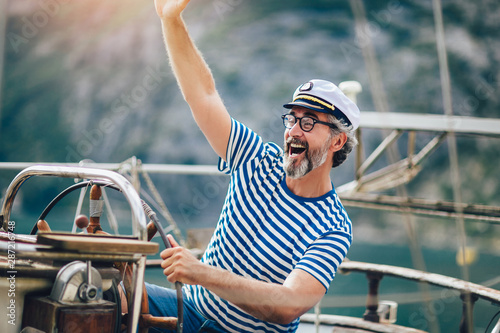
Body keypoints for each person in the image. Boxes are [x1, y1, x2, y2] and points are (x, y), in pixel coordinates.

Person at [147, 0, 360, 332]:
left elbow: (287, 306)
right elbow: (203, 94)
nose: (293, 131)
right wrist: (171, 19)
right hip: (188, 309)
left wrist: (199, 272)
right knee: (103, 295)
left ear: (337, 141)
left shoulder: (333, 227)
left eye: (309, 123)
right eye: (293, 119)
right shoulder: (257, 159)